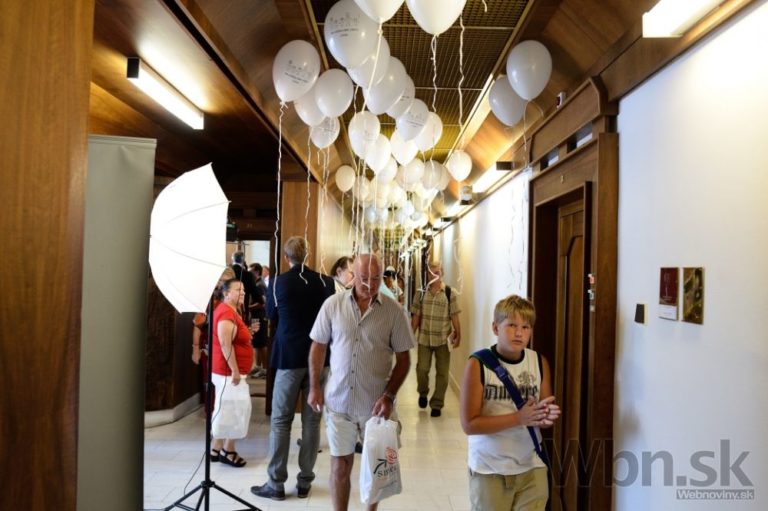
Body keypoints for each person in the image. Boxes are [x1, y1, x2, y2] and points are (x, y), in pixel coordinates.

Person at [307, 254, 415, 511]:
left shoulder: (393, 311)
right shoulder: (333, 305)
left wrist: (389, 396)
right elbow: (318, 347)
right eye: (364, 278)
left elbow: (404, 360)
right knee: (339, 466)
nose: (370, 284)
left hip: (375, 406)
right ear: (353, 275)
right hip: (339, 402)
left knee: (376, 466)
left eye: (376, 278)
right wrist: (314, 387)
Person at [251, 237, 335, 501]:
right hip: (319, 359)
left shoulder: (277, 283)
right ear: (307, 255)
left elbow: (271, 315)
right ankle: (305, 481)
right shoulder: (326, 282)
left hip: (288, 356)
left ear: (286, 258)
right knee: (312, 421)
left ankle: (275, 483)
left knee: (281, 421)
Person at [459, 295, 561, 511]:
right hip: (490, 468)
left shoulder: (538, 362)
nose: (519, 333)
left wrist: (546, 417)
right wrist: (518, 418)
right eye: (512, 325)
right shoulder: (478, 364)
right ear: (495, 328)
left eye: (526, 327)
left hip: (531, 466)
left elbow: (542, 417)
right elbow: (469, 424)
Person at [210, 278, 257, 467]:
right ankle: (228, 451)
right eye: (238, 289)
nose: (243, 292)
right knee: (236, 410)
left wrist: (247, 333)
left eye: (243, 289)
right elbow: (225, 344)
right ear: (226, 293)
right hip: (228, 373)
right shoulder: (225, 313)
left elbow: (234, 337)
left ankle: (216, 448)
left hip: (230, 372)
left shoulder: (232, 311)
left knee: (229, 409)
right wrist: (235, 371)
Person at [411, 261, 461, 417]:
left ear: (442, 274)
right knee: (422, 369)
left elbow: (454, 315)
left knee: (443, 374)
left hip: (443, 340)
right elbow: (416, 316)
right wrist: (410, 335)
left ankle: (437, 404)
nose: (434, 276)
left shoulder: (449, 293)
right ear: (427, 274)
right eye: (431, 273)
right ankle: (423, 392)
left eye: (437, 273)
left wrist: (459, 334)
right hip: (424, 339)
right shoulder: (420, 292)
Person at [248, 262, 268, 378]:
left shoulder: (260, 285)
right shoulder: (256, 283)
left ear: (256, 272)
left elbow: (262, 303)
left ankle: (265, 369)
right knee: (256, 342)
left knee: (261, 343)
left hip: (259, 316)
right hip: (256, 316)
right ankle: (258, 367)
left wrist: (248, 308)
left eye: (250, 272)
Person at [230, 250, 258, 321]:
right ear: (243, 260)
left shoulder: (227, 272)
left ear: (232, 259)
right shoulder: (248, 274)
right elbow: (255, 294)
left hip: (228, 306)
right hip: (243, 307)